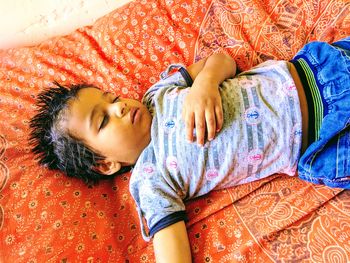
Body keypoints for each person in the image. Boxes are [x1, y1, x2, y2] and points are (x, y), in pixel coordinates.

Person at [29, 37, 350, 263]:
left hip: (318, 70)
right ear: (105, 164)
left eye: (111, 98)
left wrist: (204, 84)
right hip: (321, 142)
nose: (120, 108)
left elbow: (223, 60)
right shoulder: (150, 180)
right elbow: (171, 247)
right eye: (103, 120)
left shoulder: (158, 94)